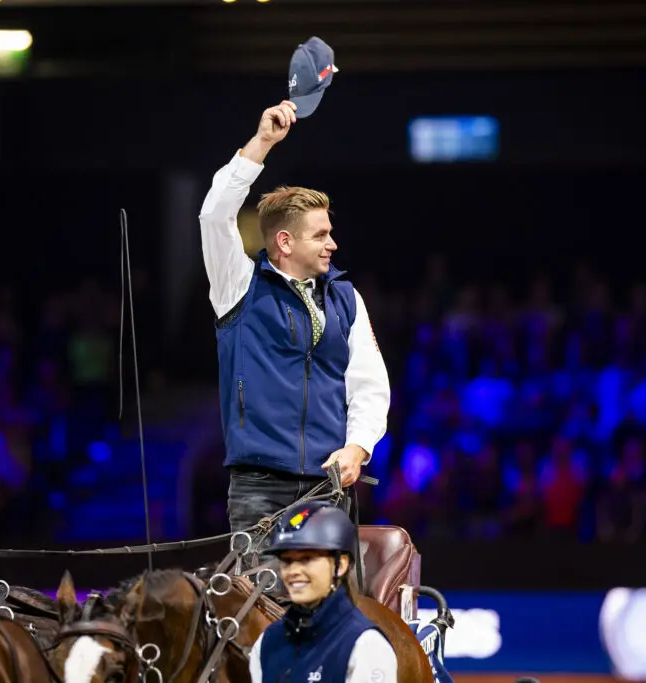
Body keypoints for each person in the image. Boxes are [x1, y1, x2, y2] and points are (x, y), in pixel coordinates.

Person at [198, 100, 391, 552]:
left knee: (328, 618)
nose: (333, 243)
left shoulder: (346, 296)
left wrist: (358, 448)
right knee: (259, 617)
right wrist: (262, 142)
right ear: (285, 241)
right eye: (320, 235)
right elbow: (213, 215)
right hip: (258, 490)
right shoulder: (238, 285)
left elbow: (369, 385)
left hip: (328, 489)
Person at [248, 500, 397, 683]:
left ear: (340, 565)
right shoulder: (266, 642)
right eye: (287, 561)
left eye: (307, 559)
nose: (293, 571)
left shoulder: (366, 646)